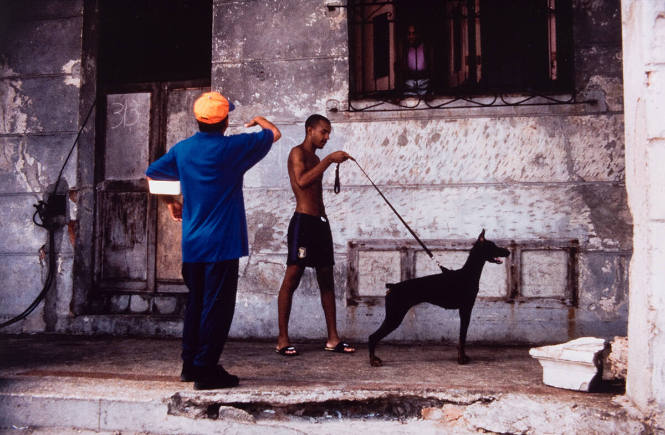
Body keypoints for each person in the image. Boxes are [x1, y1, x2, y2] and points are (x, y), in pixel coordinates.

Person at [146, 91, 281, 389]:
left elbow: (153, 175)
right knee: (217, 308)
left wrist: (172, 202)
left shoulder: (183, 150)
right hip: (222, 243)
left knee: (197, 304)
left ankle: (190, 365)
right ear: (226, 120)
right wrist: (258, 119)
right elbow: (273, 133)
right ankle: (206, 370)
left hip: (193, 244)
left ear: (197, 120)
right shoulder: (233, 147)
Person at [275, 114, 355, 356]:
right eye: (323, 132)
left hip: (320, 223)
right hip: (303, 223)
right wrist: (330, 160)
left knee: (326, 279)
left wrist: (326, 160)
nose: (327, 137)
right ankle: (282, 339)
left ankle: (332, 338)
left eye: (328, 133)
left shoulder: (317, 158)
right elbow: (301, 181)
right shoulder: (297, 153)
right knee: (293, 277)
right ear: (310, 130)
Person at [402, 24, 431, 96]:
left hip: (424, 82)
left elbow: (431, 66)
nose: (411, 37)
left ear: (418, 35)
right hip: (410, 83)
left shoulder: (425, 47)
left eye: (414, 34)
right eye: (409, 34)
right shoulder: (405, 49)